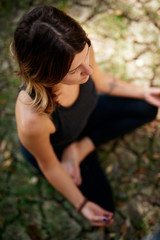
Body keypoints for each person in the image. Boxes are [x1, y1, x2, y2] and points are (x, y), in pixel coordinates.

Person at [13, 5, 160, 227]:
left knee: (147, 107)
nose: (88, 70)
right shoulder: (34, 119)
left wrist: (142, 92)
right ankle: (72, 152)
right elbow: (50, 166)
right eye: (74, 71)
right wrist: (81, 204)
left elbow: (101, 81)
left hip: (84, 117)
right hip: (57, 147)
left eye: (86, 56)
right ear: (47, 76)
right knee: (104, 208)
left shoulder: (77, 51)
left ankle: (81, 149)